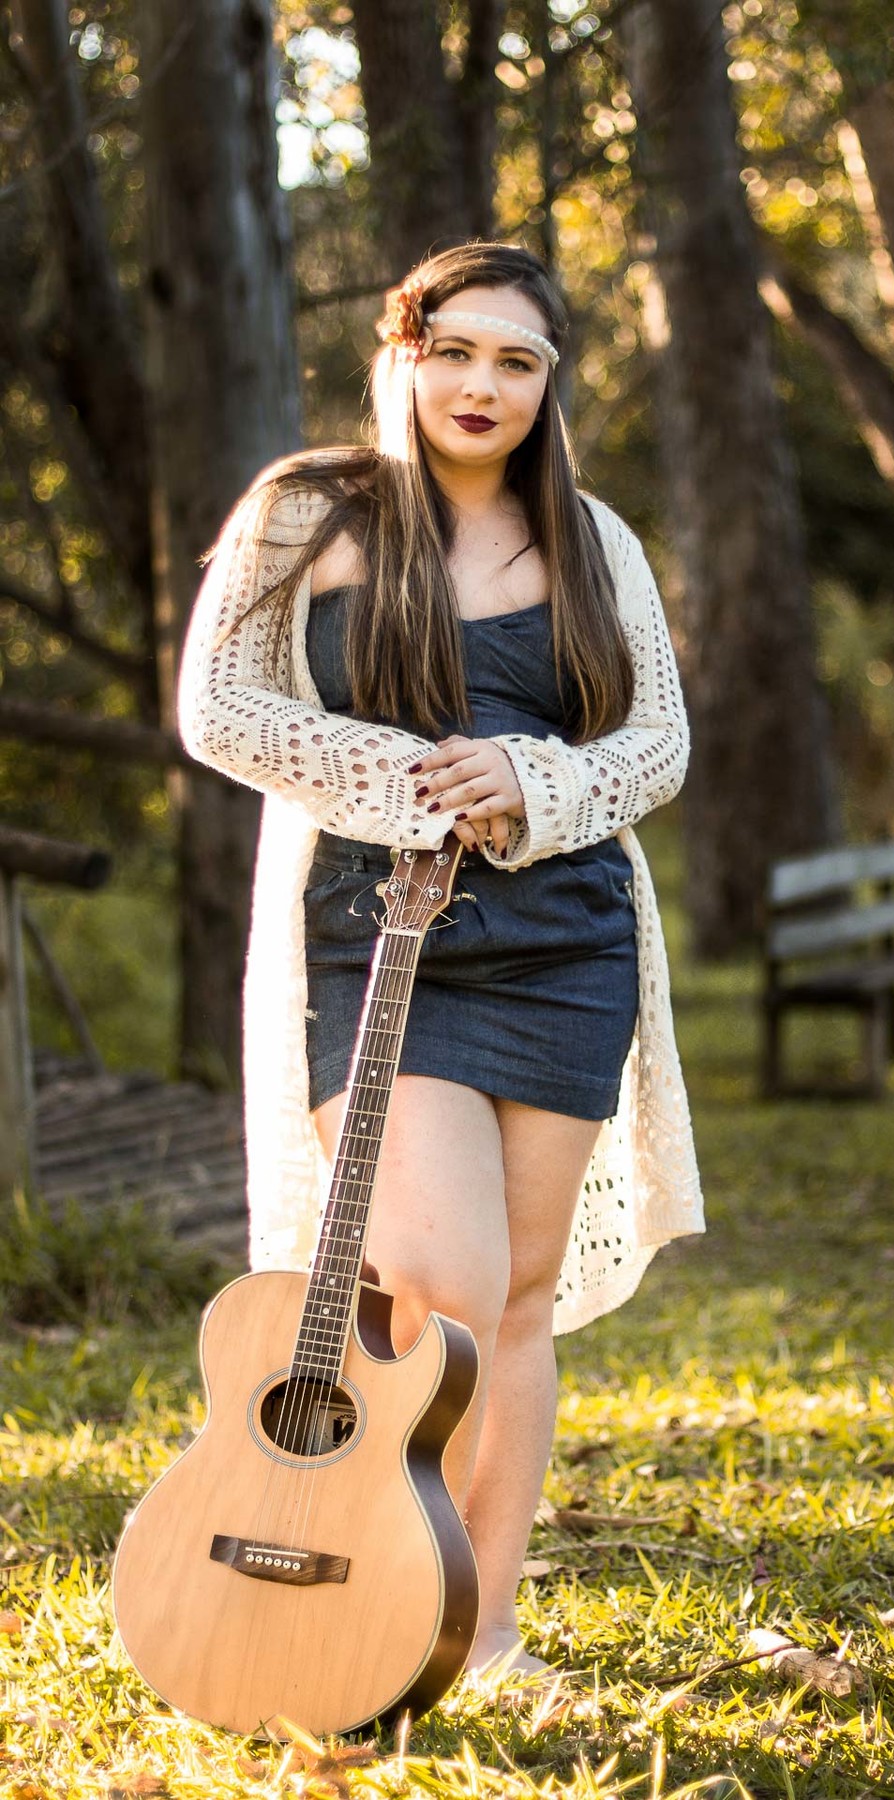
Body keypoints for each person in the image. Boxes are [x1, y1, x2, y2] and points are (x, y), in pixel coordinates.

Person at [177, 240, 705, 1687]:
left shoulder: (597, 540)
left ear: (551, 383)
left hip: (567, 941)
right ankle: (381, 1595)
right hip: (378, 942)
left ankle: (486, 1633)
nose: (483, 384)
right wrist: (422, 775)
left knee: (520, 1303)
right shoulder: (308, 511)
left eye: (518, 360)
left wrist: (536, 787)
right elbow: (219, 708)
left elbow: (655, 743)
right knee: (446, 1294)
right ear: (402, 351)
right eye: (455, 349)